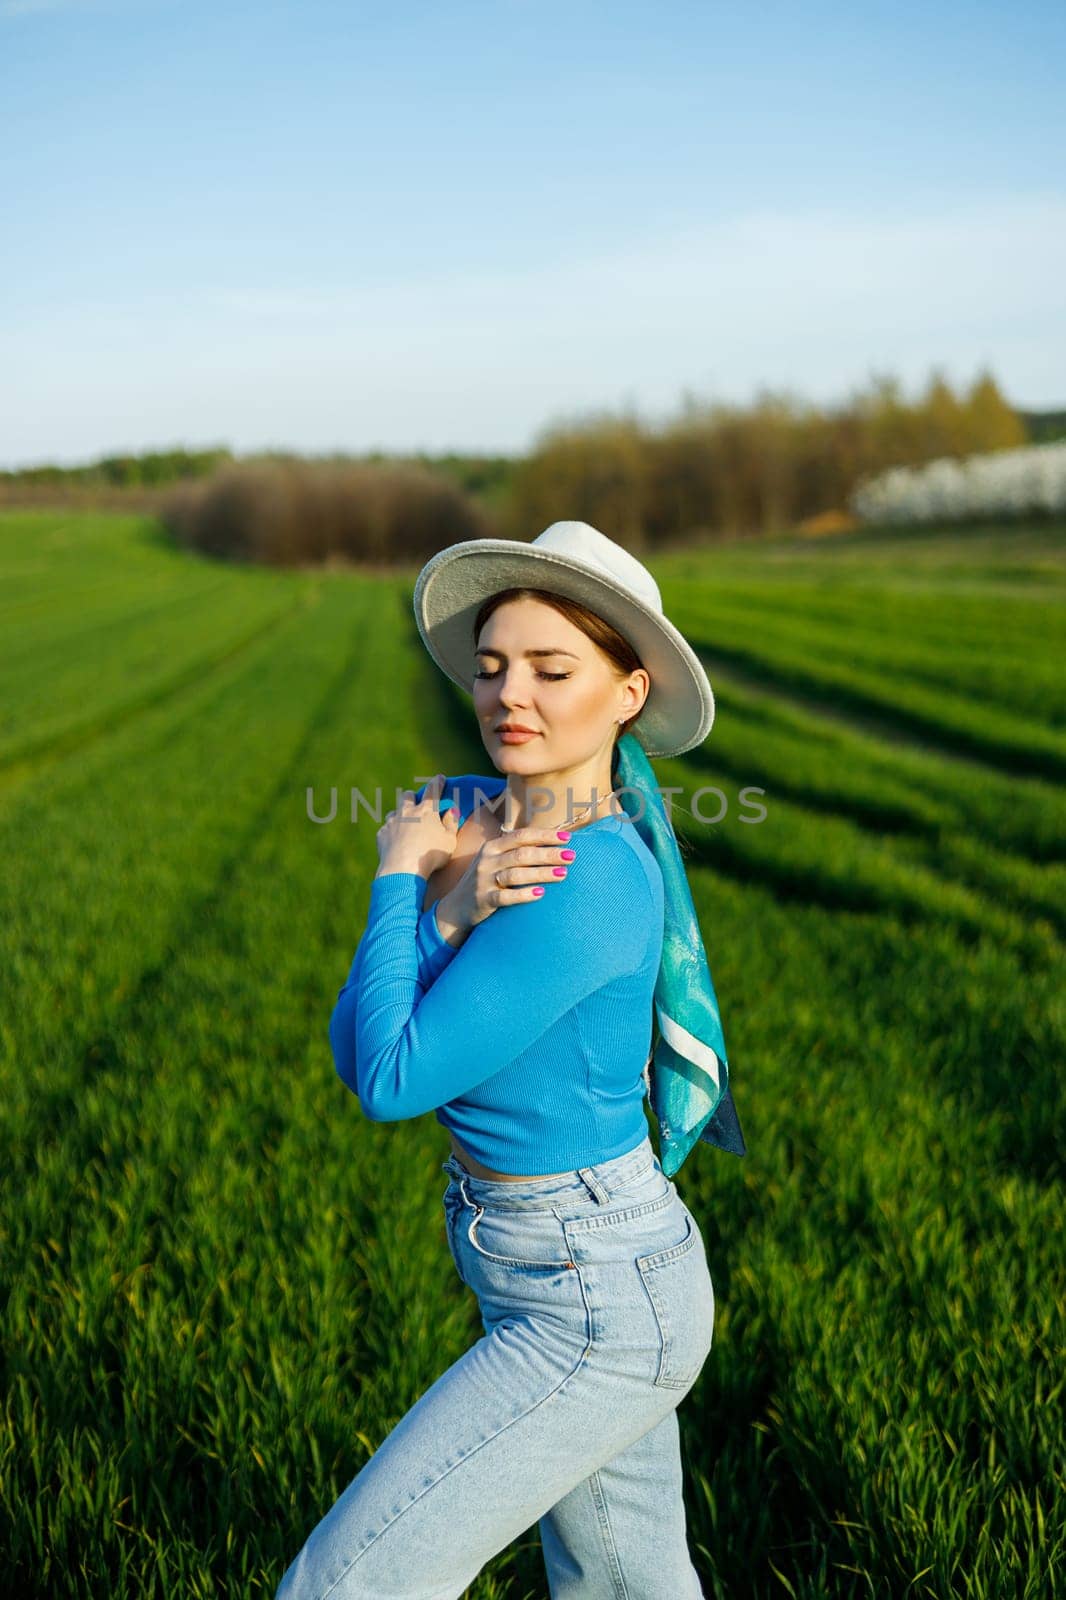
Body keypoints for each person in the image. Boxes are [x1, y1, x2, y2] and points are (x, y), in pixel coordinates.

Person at [276, 520, 742, 1600]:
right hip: (551, 1263)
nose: (508, 693)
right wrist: (444, 902)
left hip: (594, 1289)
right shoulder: (467, 816)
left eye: (551, 667)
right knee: (625, 1586)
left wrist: (401, 879)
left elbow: (392, 1081)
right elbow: (358, 1046)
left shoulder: (586, 878)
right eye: (490, 668)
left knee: (343, 1586)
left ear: (628, 693)